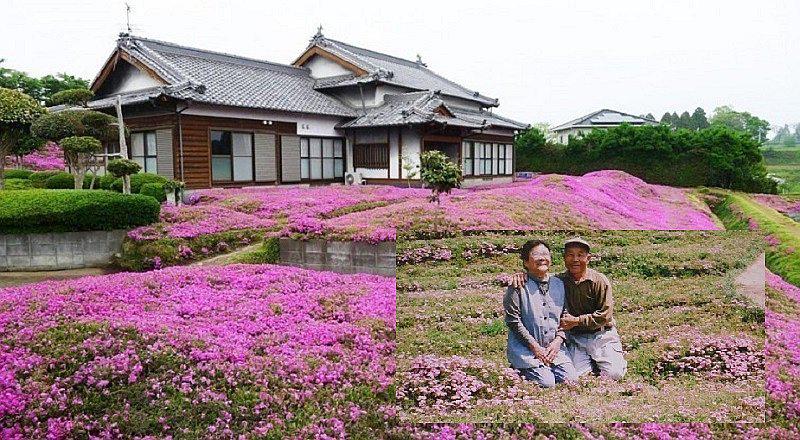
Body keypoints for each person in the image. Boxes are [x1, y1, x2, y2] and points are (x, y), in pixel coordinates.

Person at [513, 237, 627, 380]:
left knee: (615, 374)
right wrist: (522, 274)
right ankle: (594, 361)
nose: (575, 259)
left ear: (588, 258)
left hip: (601, 335)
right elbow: (539, 275)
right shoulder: (558, 281)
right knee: (574, 377)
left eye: (580, 255)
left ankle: (607, 357)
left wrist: (577, 321)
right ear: (564, 258)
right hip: (576, 337)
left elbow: (605, 315)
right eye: (570, 255)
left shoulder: (599, 280)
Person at [504, 239, 577, 388]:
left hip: (554, 349)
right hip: (526, 349)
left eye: (546, 254)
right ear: (526, 262)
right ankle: (520, 368)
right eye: (536, 254)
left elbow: (566, 316)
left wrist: (558, 342)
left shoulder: (559, 283)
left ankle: (547, 365)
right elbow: (513, 321)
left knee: (572, 379)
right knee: (547, 383)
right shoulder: (517, 285)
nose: (542, 258)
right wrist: (535, 347)